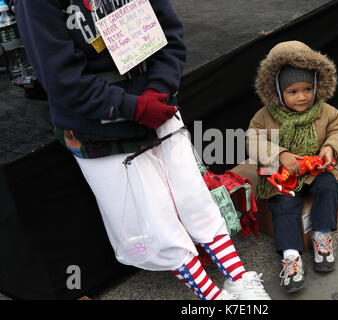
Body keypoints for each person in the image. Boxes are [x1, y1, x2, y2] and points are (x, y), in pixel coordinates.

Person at [15, 0, 270, 300]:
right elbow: (61, 79)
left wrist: (157, 91)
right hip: (98, 125)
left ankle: (239, 279)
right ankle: (212, 298)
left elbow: (170, 35)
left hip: (155, 104)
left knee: (194, 198)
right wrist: (132, 107)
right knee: (154, 218)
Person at [247, 40, 338, 293]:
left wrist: (330, 148)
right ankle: (291, 257)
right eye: (293, 92)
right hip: (281, 177)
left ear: (316, 86)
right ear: (277, 92)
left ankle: (322, 235)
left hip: (315, 171)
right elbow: (252, 140)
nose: (302, 97)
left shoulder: (326, 111)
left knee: (329, 186)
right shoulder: (264, 116)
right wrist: (279, 154)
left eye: (307, 89)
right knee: (283, 205)